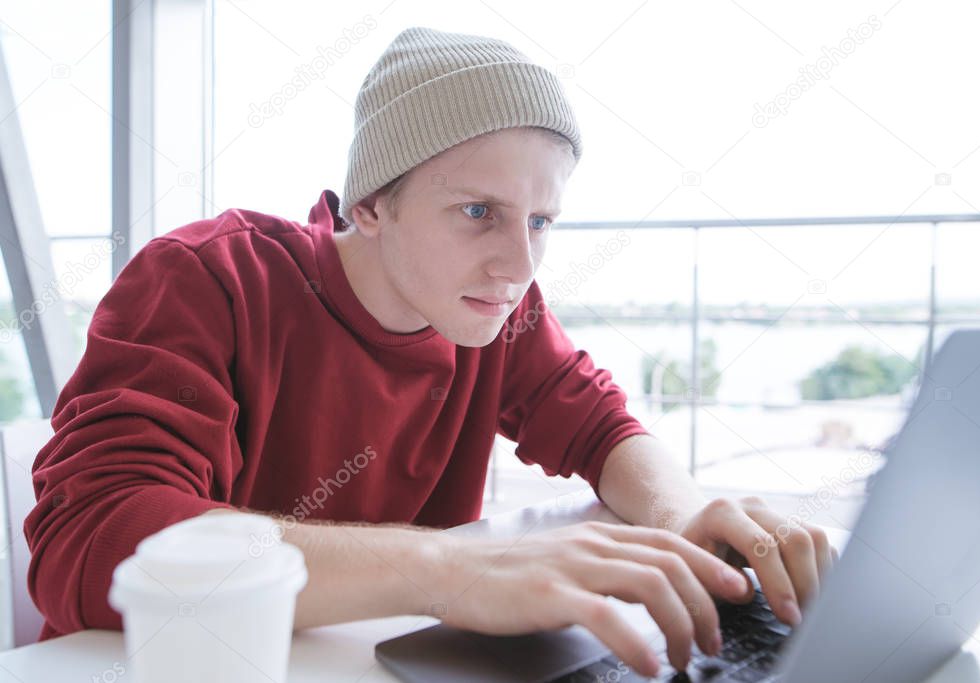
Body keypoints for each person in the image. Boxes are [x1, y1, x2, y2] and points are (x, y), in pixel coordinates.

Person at [26, 26, 835, 677]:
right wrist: (450, 569)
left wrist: (680, 515)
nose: (519, 264)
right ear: (373, 202)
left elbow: (599, 424)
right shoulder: (208, 277)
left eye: (540, 221)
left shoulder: (487, 306)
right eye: (478, 210)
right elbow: (93, 536)